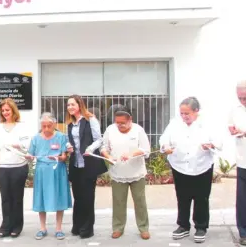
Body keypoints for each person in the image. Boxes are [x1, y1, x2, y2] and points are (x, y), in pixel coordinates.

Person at [160, 97, 222, 243]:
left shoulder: (207, 123)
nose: (184, 116)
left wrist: (211, 145)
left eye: (187, 113)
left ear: (196, 111)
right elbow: (163, 139)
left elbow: (219, 141)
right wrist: (165, 147)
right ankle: (183, 225)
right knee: (182, 197)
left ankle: (201, 227)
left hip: (202, 165)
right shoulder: (175, 123)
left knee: (201, 197)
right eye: (182, 113)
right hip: (180, 165)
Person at [87, 106, 151, 240]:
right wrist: (107, 156)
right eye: (117, 122)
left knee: (140, 201)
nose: (120, 125)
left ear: (130, 120)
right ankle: (118, 227)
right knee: (118, 202)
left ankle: (143, 228)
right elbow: (104, 147)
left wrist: (131, 154)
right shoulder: (110, 129)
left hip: (136, 172)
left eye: (123, 123)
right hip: (118, 172)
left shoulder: (138, 130)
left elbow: (146, 149)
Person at [65, 94, 107, 239]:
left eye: (73, 104)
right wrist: (68, 146)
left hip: (88, 164)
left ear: (79, 105)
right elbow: (68, 141)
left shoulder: (90, 119)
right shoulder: (70, 124)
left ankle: (87, 228)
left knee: (88, 197)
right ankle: (77, 225)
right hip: (75, 164)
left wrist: (89, 149)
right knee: (77, 197)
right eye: (68, 105)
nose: (70, 107)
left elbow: (99, 139)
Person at [0, 98, 31, 238]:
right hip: (3, 166)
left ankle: (17, 226)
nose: (5, 112)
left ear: (13, 110)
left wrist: (15, 145)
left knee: (17, 198)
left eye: (8, 110)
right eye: (3, 110)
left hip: (18, 166)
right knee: (5, 198)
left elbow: (27, 146)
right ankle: (6, 225)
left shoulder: (22, 126)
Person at [26, 112, 72, 240]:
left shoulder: (61, 137)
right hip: (42, 171)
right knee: (41, 197)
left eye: (49, 126)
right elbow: (31, 155)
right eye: (44, 126)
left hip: (57, 170)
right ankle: (42, 228)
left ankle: (58, 228)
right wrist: (29, 157)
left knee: (59, 196)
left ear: (54, 124)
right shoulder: (35, 138)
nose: (46, 129)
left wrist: (59, 157)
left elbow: (64, 156)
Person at [229, 80, 246, 246]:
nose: (242, 101)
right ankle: (243, 232)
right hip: (243, 160)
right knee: (242, 200)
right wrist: (233, 130)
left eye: (245, 98)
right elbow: (231, 126)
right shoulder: (235, 110)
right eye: (240, 98)